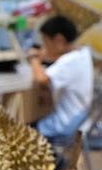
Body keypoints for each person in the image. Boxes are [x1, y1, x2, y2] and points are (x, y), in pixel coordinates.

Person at [28, 16, 94, 154]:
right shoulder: (83, 53)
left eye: (46, 43)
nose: (44, 48)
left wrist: (33, 58)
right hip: (79, 121)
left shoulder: (69, 61)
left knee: (20, 129)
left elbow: (41, 79)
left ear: (58, 40)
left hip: (64, 125)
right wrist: (45, 56)